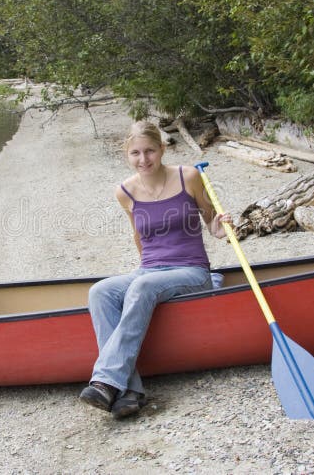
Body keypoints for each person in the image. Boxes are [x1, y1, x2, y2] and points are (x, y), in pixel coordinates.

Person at [79, 121, 231, 419]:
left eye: (150, 151)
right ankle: (130, 391)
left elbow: (212, 224)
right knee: (100, 292)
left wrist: (222, 225)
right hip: (149, 271)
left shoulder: (189, 176)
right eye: (135, 153)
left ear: (162, 149)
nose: (143, 159)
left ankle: (105, 380)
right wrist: (145, 271)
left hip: (191, 271)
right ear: (127, 155)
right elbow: (139, 235)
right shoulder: (124, 191)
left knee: (141, 288)